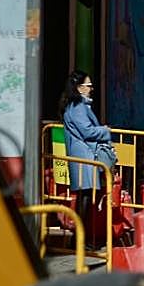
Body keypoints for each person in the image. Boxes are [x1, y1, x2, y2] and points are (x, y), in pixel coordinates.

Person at [60, 71, 115, 242]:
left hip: (83, 154)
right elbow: (87, 131)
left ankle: (80, 239)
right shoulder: (78, 107)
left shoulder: (77, 106)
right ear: (79, 88)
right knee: (85, 198)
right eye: (88, 85)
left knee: (85, 197)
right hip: (84, 156)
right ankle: (79, 240)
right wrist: (105, 130)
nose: (92, 88)